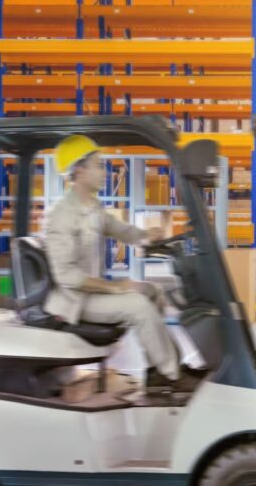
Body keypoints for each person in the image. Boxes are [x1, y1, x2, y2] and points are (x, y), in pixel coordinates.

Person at [43, 134, 200, 393]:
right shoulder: (62, 215)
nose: (105, 171)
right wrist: (114, 287)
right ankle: (172, 375)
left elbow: (119, 229)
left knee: (153, 291)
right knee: (137, 305)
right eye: (98, 165)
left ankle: (157, 369)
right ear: (80, 169)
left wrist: (146, 236)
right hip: (75, 300)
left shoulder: (92, 207)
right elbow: (66, 276)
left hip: (89, 293)